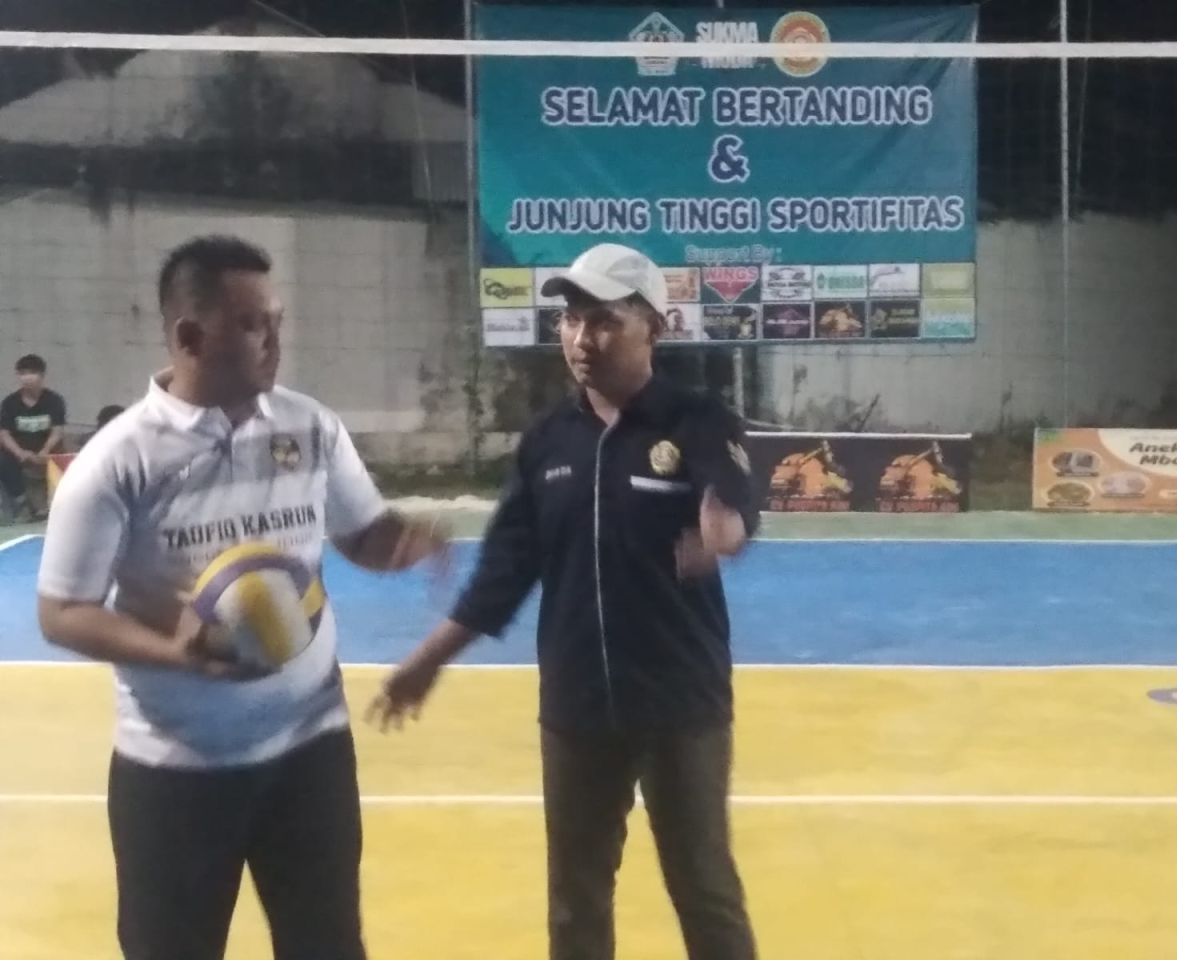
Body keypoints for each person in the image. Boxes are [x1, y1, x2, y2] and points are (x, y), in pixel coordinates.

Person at [36, 235, 449, 960]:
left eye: (277, 321)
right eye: (253, 324)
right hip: (176, 770)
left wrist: (405, 541)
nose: (275, 341)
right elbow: (62, 611)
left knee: (327, 946)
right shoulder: (119, 461)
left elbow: (362, 534)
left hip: (310, 751)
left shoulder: (309, 426)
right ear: (190, 337)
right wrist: (175, 654)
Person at [368, 242, 760, 960]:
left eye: (605, 320)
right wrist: (429, 660)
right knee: (576, 900)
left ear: (654, 327)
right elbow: (505, 569)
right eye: (572, 320)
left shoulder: (696, 420)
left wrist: (722, 533)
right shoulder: (548, 442)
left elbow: (731, 501)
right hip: (577, 708)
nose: (583, 338)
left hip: (681, 703)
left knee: (704, 887)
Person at [0, 353, 67, 522]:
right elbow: (4, 433)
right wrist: (20, 453)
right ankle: (22, 503)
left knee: (64, 459)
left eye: (32, 373)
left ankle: (58, 507)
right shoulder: (10, 402)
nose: (27, 378)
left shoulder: (54, 400)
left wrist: (45, 451)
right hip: (20, 452)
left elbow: (57, 430)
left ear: (42, 375)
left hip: (47, 450)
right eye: (23, 373)